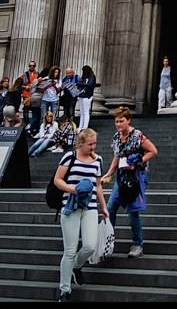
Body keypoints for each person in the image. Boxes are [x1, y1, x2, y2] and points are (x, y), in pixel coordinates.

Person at [54, 127, 107, 302]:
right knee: (69, 250)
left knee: (90, 246)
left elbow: (98, 185)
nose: (93, 147)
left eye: (95, 143)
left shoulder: (98, 160)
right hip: (70, 206)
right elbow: (57, 180)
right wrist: (73, 189)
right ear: (81, 143)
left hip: (90, 207)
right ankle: (64, 289)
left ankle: (76, 266)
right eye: (90, 144)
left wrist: (103, 207)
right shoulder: (70, 157)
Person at [100, 106, 158, 259]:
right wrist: (109, 173)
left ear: (128, 120)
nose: (118, 124)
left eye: (121, 121)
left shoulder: (137, 136)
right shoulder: (116, 137)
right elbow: (117, 156)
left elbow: (153, 151)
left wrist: (138, 162)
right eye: (116, 121)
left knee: (133, 211)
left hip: (137, 176)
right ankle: (108, 240)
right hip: (122, 176)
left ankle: (137, 244)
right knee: (111, 207)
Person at [21, 60, 41, 133]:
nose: (31, 67)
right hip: (26, 94)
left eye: (33, 65)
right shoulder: (25, 74)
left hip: (34, 95)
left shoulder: (37, 74)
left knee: (35, 111)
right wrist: (26, 87)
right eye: (30, 65)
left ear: (35, 66)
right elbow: (20, 84)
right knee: (26, 110)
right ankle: (27, 124)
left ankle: (32, 126)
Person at [76, 66, 97, 130]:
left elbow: (90, 85)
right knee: (81, 112)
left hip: (87, 96)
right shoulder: (83, 77)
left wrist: (81, 84)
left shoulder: (92, 77)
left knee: (86, 112)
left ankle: (85, 126)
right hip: (82, 95)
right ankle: (80, 126)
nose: (84, 72)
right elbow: (79, 83)